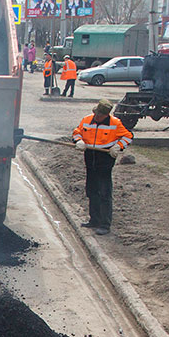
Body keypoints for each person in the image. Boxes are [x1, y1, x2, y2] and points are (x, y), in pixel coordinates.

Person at [72, 99, 134, 235]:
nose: (97, 116)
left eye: (100, 115)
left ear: (106, 115)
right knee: (91, 190)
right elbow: (77, 132)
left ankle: (105, 224)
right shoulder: (87, 120)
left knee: (104, 192)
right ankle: (94, 219)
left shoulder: (115, 123)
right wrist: (79, 141)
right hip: (90, 157)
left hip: (105, 159)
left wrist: (118, 146)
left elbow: (128, 136)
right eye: (96, 114)